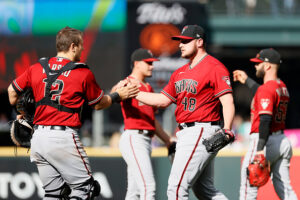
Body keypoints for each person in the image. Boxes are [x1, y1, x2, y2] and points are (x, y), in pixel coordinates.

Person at [7, 26, 139, 200]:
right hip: (62, 137)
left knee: (54, 193)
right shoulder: (81, 72)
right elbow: (99, 104)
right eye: (81, 45)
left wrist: (23, 112)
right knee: (87, 189)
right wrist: (117, 96)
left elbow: (11, 92)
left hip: (38, 138)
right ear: (73, 46)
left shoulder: (37, 66)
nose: (83, 49)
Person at [135, 25, 235, 200]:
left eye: (186, 41)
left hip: (202, 130)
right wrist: (134, 93)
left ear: (199, 42)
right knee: (205, 191)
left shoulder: (214, 67)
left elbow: (227, 101)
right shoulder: (179, 72)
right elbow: (163, 100)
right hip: (185, 132)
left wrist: (227, 128)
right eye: (180, 41)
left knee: (176, 188)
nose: (181, 44)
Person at [233, 48, 297, 200]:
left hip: (264, 141)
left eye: (258, 63)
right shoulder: (281, 86)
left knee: (248, 188)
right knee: (285, 190)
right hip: (282, 140)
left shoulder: (267, 89)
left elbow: (265, 119)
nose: (255, 66)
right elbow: (263, 92)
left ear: (267, 66)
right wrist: (247, 81)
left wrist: (260, 149)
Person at [112, 48, 174, 200]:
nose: (152, 66)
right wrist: (118, 88)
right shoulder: (127, 83)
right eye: (148, 63)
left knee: (134, 192)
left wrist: (167, 140)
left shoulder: (148, 87)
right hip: (134, 137)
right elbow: (114, 94)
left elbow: (151, 120)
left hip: (146, 139)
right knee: (148, 187)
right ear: (137, 64)